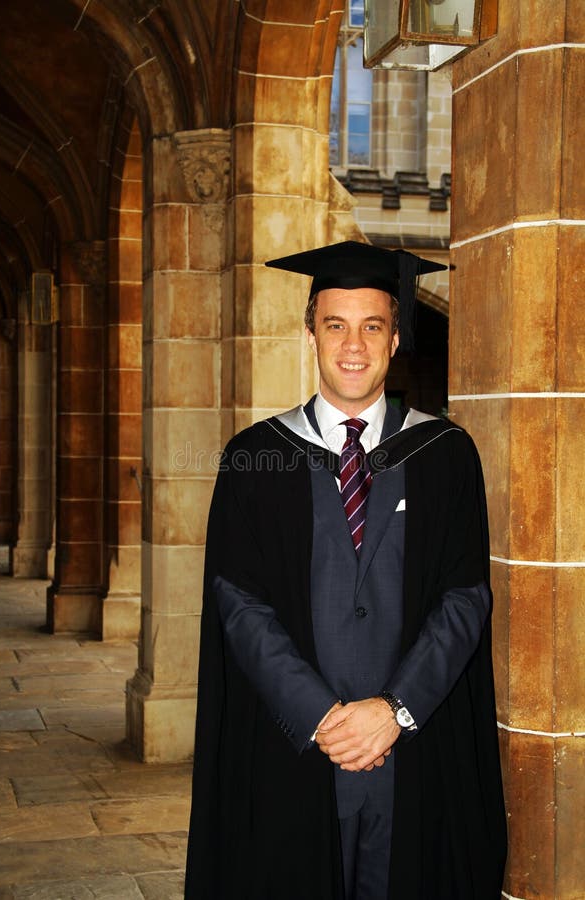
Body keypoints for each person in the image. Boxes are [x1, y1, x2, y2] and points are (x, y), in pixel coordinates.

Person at [184, 241, 507, 900]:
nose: (352, 345)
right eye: (335, 325)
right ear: (310, 335)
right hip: (295, 754)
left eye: (372, 326)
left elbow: (466, 597)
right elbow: (237, 604)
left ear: (395, 340)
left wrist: (395, 710)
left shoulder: (446, 455)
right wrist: (324, 717)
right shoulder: (255, 458)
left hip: (412, 758)